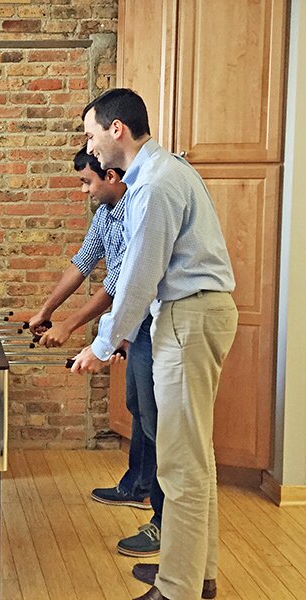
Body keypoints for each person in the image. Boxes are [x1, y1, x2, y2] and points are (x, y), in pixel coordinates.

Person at [73, 89, 237, 600]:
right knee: (193, 461)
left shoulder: (156, 185)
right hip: (189, 315)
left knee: (180, 465)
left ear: (116, 128)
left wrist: (102, 345)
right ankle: (196, 576)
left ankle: (176, 589)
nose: (90, 145)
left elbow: (140, 277)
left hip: (189, 318)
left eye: (91, 132)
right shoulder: (162, 173)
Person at [27, 148, 163, 557]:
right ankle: (136, 486)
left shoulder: (139, 209)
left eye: (88, 182)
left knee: (156, 418)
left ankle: (159, 517)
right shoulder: (105, 213)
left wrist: (71, 326)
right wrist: (46, 311)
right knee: (138, 405)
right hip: (134, 322)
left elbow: (116, 287)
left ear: (111, 175)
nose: (84, 190)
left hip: (157, 323)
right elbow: (81, 265)